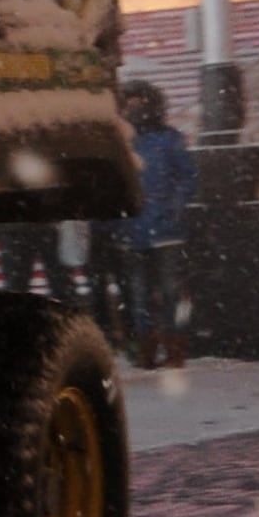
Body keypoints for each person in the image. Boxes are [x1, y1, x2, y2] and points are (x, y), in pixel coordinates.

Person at [107, 81, 195, 369]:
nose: (135, 108)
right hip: (133, 230)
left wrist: (173, 208)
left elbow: (187, 179)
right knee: (139, 293)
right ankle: (148, 347)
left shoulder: (170, 139)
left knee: (168, 291)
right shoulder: (122, 142)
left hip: (164, 231)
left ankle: (173, 347)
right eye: (130, 103)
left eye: (139, 102)